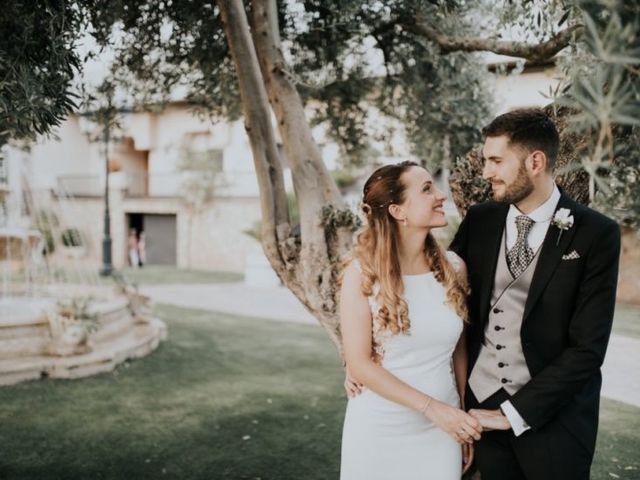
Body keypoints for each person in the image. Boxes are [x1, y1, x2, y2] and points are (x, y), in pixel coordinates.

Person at [449, 108, 621, 479]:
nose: (486, 173)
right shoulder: (480, 220)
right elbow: (439, 297)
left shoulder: (595, 234)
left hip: (556, 422)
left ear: (535, 161)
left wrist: (512, 414)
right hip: (480, 409)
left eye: (496, 161)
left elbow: (588, 348)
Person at [339, 161, 482, 480]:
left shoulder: (454, 268)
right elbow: (360, 364)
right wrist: (435, 409)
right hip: (379, 428)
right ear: (397, 211)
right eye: (427, 189)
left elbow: (458, 348)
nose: (441, 195)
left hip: (441, 430)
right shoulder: (361, 274)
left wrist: (457, 411)